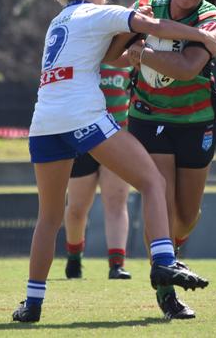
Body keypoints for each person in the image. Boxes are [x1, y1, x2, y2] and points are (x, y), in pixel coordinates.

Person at [12, 0, 216, 323]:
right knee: (153, 183)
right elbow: (153, 24)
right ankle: (163, 263)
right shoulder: (98, 12)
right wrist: (201, 35)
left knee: (48, 218)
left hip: (43, 122)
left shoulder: (57, 20)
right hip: (83, 116)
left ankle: (32, 303)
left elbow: (111, 53)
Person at [124, 0, 216, 320]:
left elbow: (185, 68)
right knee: (159, 197)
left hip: (195, 120)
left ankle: (170, 255)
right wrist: (131, 44)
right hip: (148, 116)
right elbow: (119, 49)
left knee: (186, 214)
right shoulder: (147, 5)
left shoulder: (210, 17)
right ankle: (166, 288)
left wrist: (142, 52)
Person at [64, 62, 134, 280]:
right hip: (83, 137)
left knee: (116, 201)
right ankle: (74, 256)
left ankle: (117, 265)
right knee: (77, 208)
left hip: (117, 137)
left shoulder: (130, 56)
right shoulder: (84, 54)